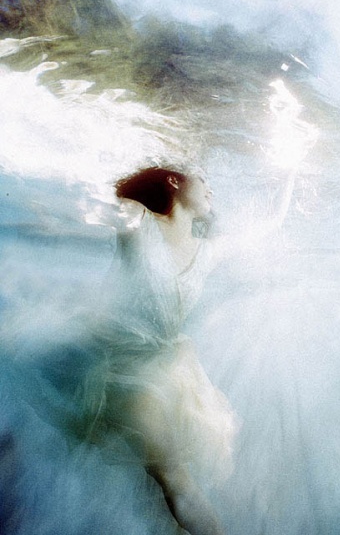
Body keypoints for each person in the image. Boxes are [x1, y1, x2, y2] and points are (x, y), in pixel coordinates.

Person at [85, 165, 239, 535]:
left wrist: (290, 172)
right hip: (126, 375)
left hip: (172, 367)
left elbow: (268, 225)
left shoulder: (206, 250)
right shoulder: (139, 223)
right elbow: (97, 200)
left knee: (164, 472)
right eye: (204, 179)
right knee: (172, 475)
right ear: (175, 180)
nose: (211, 190)